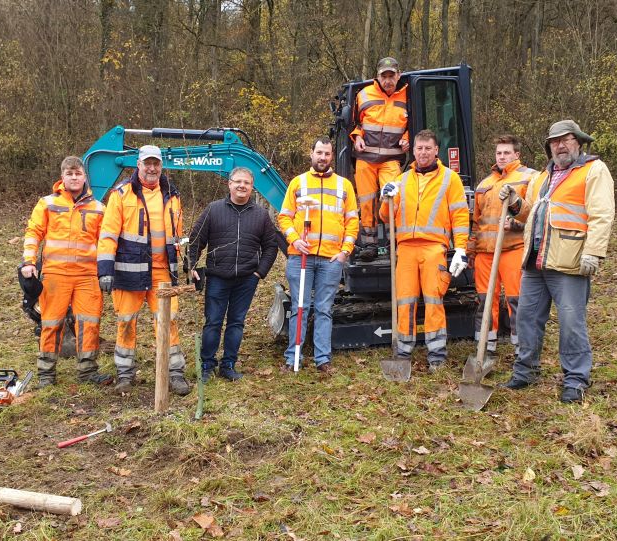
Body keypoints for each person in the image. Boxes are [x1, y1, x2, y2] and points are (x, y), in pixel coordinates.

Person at [498, 120, 615, 403]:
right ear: (548, 147)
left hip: (571, 262)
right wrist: (515, 201)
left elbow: (602, 214)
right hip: (535, 262)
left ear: (579, 142)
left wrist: (593, 252)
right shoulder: (542, 177)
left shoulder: (593, 171)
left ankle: (575, 380)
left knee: (571, 322)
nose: (560, 146)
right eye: (555, 141)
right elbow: (529, 215)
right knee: (526, 319)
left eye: (566, 140)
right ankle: (525, 371)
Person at [97, 145, 190, 395]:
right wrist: (105, 268)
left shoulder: (172, 194)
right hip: (128, 271)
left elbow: (177, 236)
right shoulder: (121, 195)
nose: (151, 168)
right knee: (126, 322)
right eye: (147, 163)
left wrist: (186, 264)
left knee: (168, 322)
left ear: (161, 166)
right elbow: (107, 235)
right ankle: (125, 374)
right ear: (138, 165)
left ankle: (175, 373)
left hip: (162, 273)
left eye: (156, 164)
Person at [379, 130, 470, 371]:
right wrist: (386, 199)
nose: (423, 153)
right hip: (406, 248)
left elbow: (460, 215)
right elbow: (385, 217)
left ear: (436, 150)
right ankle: (403, 351)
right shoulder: (401, 180)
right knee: (405, 302)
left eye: (427, 148)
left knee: (433, 301)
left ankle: (436, 354)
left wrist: (461, 247)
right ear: (414, 150)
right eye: (419, 148)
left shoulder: (450, 179)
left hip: (433, 248)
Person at [21, 156, 112, 388]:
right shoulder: (48, 203)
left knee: (90, 323)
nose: (74, 177)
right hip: (55, 275)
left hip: (87, 276)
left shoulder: (99, 208)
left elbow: (106, 243)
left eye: (78, 173)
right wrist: (29, 261)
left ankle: (87, 371)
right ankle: (46, 374)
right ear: (62, 177)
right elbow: (34, 232)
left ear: (84, 177)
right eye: (69, 174)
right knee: (51, 322)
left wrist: (106, 271)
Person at [187, 167, 278, 383]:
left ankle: (228, 364)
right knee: (213, 322)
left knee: (236, 322)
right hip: (217, 277)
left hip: (247, 279)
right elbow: (195, 240)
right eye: (238, 181)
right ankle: (207, 364)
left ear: (252, 187)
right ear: (229, 184)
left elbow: (271, 246)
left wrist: (259, 272)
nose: (241, 186)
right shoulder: (213, 209)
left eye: (246, 183)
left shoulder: (261, 215)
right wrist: (191, 265)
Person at [277, 137, 359, 373]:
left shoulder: (344, 186)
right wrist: (294, 238)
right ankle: (293, 357)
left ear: (332, 156)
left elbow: (352, 221)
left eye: (327, 154)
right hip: (300, 257)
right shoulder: (298, 183)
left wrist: (345, 252)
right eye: (319, 153)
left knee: (324, 309)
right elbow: (284, 217)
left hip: (331, 260)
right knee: (300, 307)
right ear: (311, 154)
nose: (323, 157)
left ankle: (323, 359)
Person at [467, 135, 536, 357]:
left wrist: (515, 225)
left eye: (507, 153)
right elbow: (476, 222)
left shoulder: (529, 178)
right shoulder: (484, 184)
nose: (502, 156)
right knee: (485, 302)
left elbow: (536, 214)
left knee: (517, 301)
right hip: (485, 253)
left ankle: (522, 351)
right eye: (499, 153)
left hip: (513, 249)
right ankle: (485, 349)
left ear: (517, 154)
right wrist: (471, 250)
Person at [350, 56, 409, 261]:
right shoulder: (363, 94)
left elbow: (414, 126)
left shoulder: (407, 96)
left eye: (391, 76)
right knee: (367, 202)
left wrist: (407, 138)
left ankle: (396, 241)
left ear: (398, 75)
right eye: (384, 76)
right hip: (365, 158)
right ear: (378, 77)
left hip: (391, 159)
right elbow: (356, 123)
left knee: (393, 197)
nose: (388, 80)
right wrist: (356, 137)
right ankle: (369, 245)